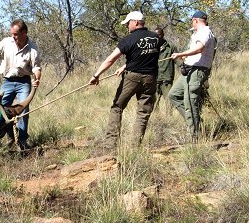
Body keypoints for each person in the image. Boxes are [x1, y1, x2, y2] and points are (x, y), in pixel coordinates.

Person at [89, 11, 162, 149]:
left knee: (117, 107)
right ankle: (135, 146)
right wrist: (125, 65)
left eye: (128, 23)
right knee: (143, 112)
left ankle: (110, 144)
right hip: (150, 78)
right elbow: (145, 56)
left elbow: (110, 59)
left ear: (135, 22)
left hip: (132, 77)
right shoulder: (156, 37)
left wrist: (96, 75)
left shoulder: (128, 39)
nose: (127, 26)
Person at [0, 19, 41, 150]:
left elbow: (36, 68)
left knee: (23, 111)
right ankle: (12, 137)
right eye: (12, 33)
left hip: (23, 82)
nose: (13, 36)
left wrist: (37, 78)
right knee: (1, 110)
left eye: (16, 34)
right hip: (7, 81)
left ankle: (22, 141)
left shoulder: (32, 48)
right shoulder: (6, 42)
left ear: (24, 32)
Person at [169, 10, 217, 140]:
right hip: (189, 70)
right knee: (173, 95)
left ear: (195, 20)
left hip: (197, 70)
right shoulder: (200, 33)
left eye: (192, 22)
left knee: (190, 101)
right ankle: (196, 123)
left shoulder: (205, 32)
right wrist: (185, 55)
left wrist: (180, 54)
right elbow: (197, 51)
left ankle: (196, 136)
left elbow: (200, 48)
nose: (193, 25)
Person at [154, 27, 176, 109]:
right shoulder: (151, 48)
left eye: (159, 35)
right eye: (155, 36)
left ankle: (169, 120)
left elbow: (179, 61)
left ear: (163, 35)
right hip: (154, 79)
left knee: (169, 102)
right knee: (153, 103)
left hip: (166, 79)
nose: (157, 37)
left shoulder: (171, 47)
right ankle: (156, 119)